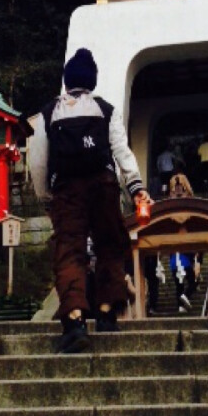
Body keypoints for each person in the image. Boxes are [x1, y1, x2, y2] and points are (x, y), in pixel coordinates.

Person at [28, 48, 151, 353]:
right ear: (92, 81)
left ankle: (75, 320)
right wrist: (136, 187)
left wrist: (46, 195)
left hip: (67, 190)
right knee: (110, 245)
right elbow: (122, 151)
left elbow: (38, 161)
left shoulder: (48, 112)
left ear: (67, 80)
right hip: (104, 186)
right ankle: (108, 312)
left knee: (69, 251)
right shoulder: (106, 110)